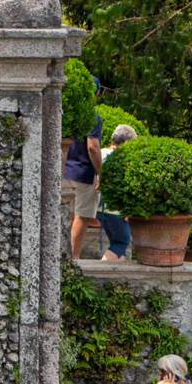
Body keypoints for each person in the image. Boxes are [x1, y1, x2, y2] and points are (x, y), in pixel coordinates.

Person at [64, 92, 103, 260]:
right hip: (84, 173)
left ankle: (59, 258)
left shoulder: (69, 111)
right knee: (81, 216)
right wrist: (101, 172)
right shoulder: (92, 115)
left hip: (64, 170)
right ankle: (72, 261)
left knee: (67, 216)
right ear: (96, 93)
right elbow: (92, 147)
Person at [99, 122, 136, 261]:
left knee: (118, 246)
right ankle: (100, 270)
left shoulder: (101, 152)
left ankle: (116, 278)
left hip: (99, 206)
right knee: (122, 241)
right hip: (115, 209)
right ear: (126, 142)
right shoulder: (123, 157)